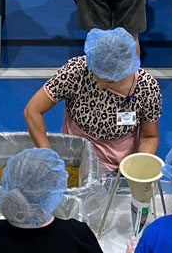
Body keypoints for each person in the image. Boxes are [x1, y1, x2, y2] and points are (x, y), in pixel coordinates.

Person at [23, 28, 161, 172]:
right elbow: (32, 110)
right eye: (95, 77)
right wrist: (48, 156)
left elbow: (149, 137)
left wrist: (137, 169)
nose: (100, 86)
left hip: (117, 166)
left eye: (109, 83)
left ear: (127, 70)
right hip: (73, 156)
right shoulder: (76, 70)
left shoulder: (147, 87)